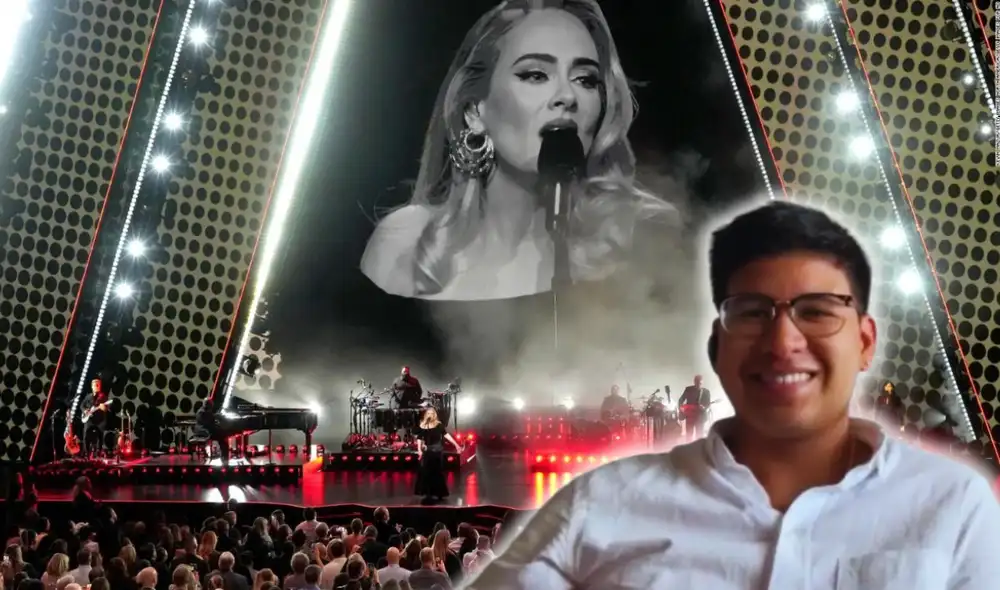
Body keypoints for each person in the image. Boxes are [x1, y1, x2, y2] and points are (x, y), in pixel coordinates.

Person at [466, 201, 1000, 588]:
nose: (783, 341)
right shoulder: (599, 507)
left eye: (816, 310)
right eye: (752, 311)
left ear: (864, 342)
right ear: (717, 346)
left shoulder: (953, 507)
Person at [360, 0, 671, 301]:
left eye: (585, 79)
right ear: (474, 111)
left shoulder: (642, 238)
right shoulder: (403, 247)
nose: (567, 96)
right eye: (535, 75)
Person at [414, 408, 463, 503]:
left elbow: (446, 435)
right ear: (426, 414)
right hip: (428, 451)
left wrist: (456, 444)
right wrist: (419, 449)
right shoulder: (423, 425)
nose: (430, 414)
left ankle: (440, 493)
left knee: (437, 472)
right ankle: (428, 493)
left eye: (432, 413)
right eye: (428, 413)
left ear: (434, 414)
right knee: (426, 472)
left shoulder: (439, 425)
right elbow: (419, 438)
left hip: (437, 450)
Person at [80, 378, 113, 458]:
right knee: (86, 436)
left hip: (99, 420)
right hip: (89, 419)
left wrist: (104, 408)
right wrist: (85, 411)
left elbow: (107, 408)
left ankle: (98, 453)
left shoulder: (103, 397)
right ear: (92, 386)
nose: (97, 386)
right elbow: (82, 405)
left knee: (100, 437)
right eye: (95, 385)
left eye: (98, 385)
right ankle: (87, 453)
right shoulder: (88, 396)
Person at [193, 399, 230, 463]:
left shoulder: (202, 411)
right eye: (211, 405)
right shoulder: (203, 412)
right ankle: (225, 457)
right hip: (204, 432)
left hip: (202, 430)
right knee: (223, 438)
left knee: (222, 434)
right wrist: (217, 417)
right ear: (209, 405)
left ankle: (223, 455)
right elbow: (209, 422)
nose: (211, 407)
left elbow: (210, 420)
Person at [677, 374, 712, 439]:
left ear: (702, 382)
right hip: (690, 416)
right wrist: (681, 407)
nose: (698, 384)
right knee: (689, 436)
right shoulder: (688, 389)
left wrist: (704, 407)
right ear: (694, 382)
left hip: (700, 417)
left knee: (699, 436)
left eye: (700, 383)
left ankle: (699, 448)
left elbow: (708, 404)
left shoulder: (706, 392)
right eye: (697, 383)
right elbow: (681, 400)